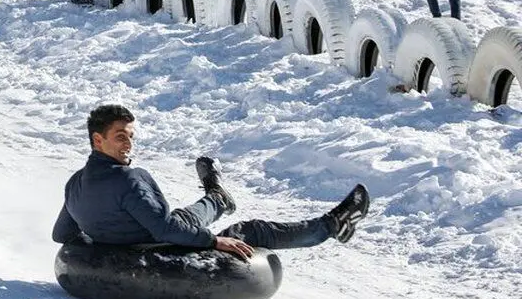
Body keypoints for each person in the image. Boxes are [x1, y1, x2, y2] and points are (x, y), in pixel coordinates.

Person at [51, 105, 371, 257]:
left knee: (183, 217)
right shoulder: (130, 179)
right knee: (251, 231)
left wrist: (104, 235)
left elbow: (61, 234)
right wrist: (215, 242)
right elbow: (164, 230)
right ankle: (333, 226)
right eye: (121, 136)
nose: (129, 144)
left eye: (131, 136)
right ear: (98, 140)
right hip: (163, 249)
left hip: (144, 236)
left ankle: (218, 197)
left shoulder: (74, 184)